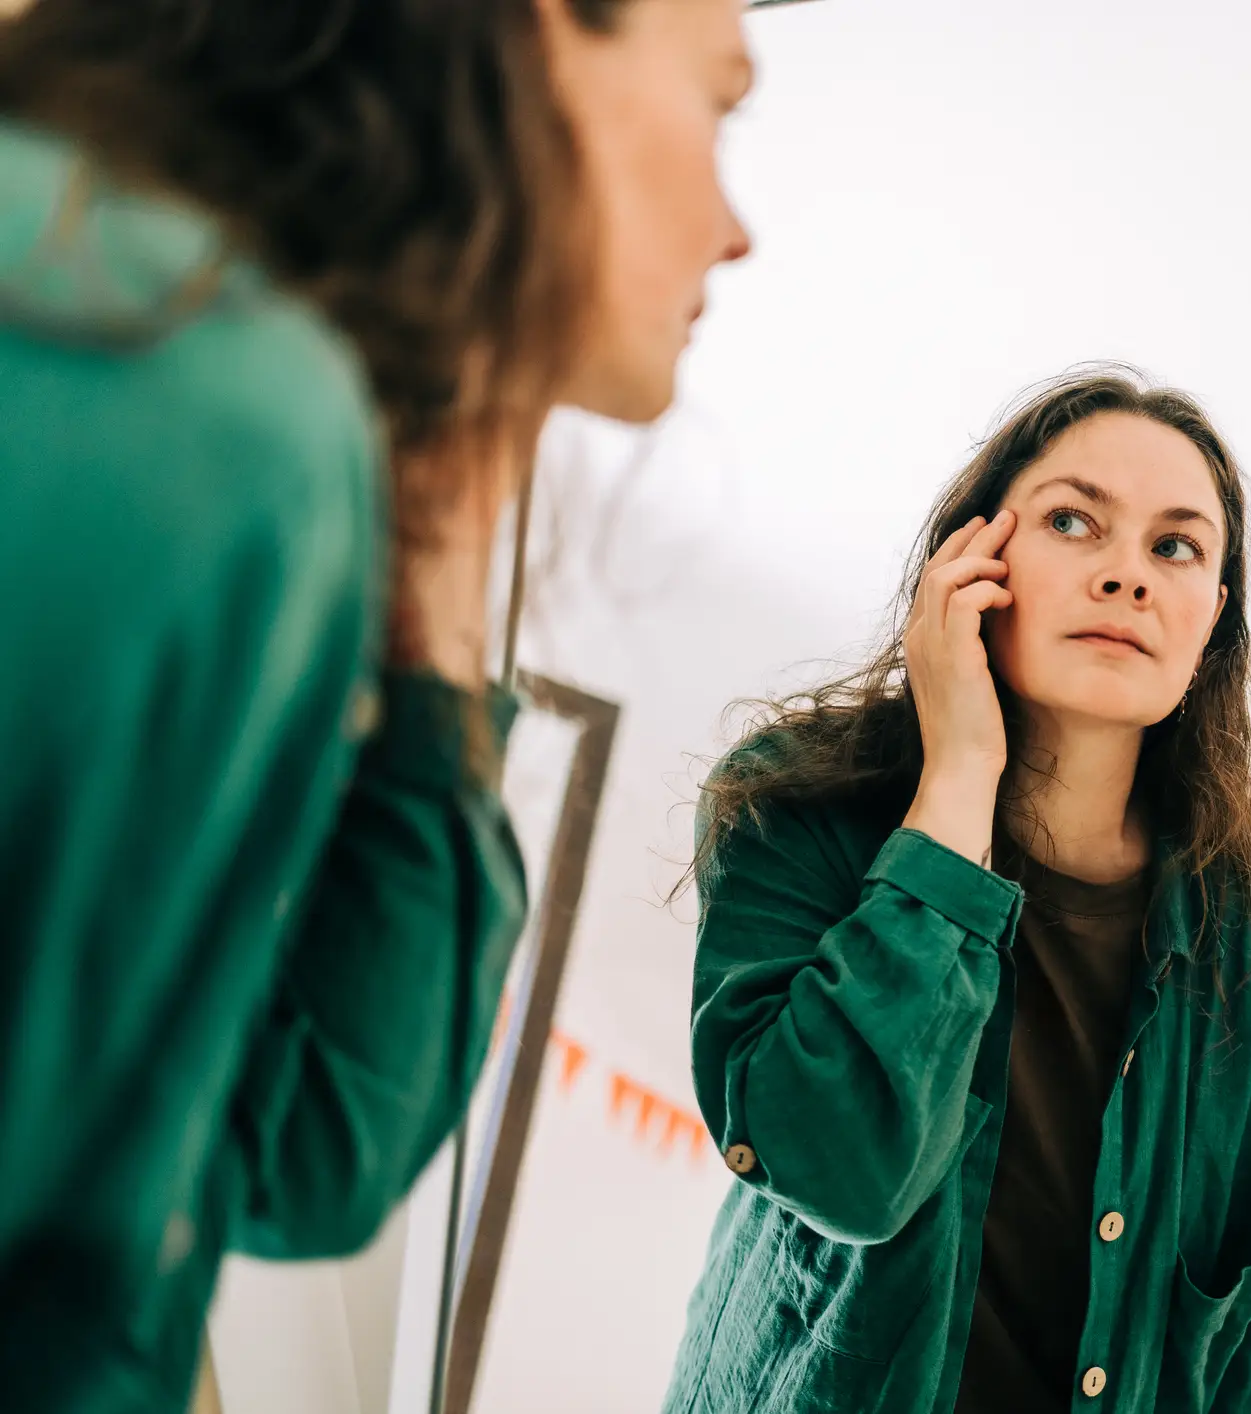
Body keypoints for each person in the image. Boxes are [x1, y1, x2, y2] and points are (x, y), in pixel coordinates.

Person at [0, 0, 752, 1407]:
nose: (736, 229)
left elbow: (303, 1151)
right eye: (723, 102)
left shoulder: (241, 394)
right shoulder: (189, 395)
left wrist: (449, 541)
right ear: (538, 35)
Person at [664, 367, 1251, 1414]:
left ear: (1212, 619)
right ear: (974, 561)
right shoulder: (795, 810)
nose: (1127, 575)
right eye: (1075, 522)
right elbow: (844, 1171)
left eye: (1175, 546)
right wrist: (958, 779)